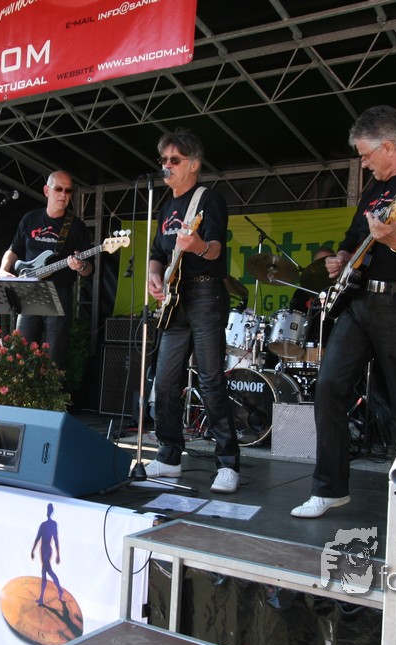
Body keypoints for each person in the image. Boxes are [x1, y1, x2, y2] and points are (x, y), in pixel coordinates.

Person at [291, 105, 396, 524]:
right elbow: (351, 238)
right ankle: (328, 489)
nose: (363, 164)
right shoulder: (374, 189)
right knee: (329, 387)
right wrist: (341, 258)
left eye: (366, 155)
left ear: (388, 146)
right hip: (359, 302)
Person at [145, 129, 241, 494]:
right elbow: (157, 253)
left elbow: (215, 248)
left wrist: (198, 245)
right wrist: (154, 276)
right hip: (174, 300)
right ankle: (169, 455)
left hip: (204, 294)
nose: (166, 166)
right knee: (165, 381)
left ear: (194, 164)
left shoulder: (207, 199)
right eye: (163, 160)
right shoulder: (165, 207)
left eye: (174, 160)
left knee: (210, 379)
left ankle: (228, 463)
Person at [0, 170, 92, 370]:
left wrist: (81, 266)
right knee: (20, 352)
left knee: (54, 358)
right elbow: (14, 250)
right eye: (58, 189)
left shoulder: (76, 226)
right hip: (29, 292)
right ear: (46, 190)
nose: (63, 194)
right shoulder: (30, 219)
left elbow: (88, 269)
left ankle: (51, 390)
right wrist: (3, 270)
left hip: (59, 294)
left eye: (68, 191)